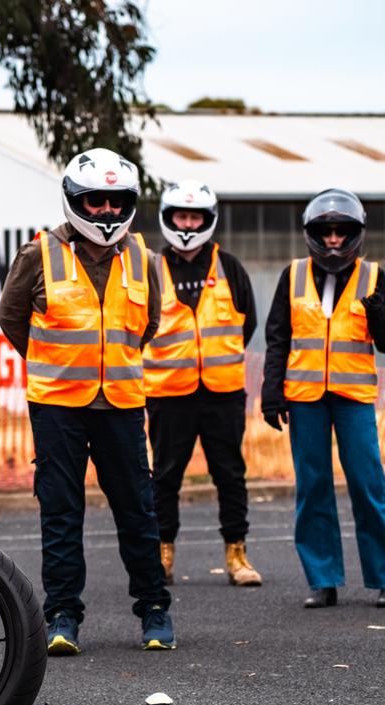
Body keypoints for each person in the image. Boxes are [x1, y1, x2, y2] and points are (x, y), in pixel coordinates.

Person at [0, 148, 174, 655]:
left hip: (120, 403)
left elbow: (150, 323)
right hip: (57, 406)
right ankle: (62, 617)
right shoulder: (38, 254)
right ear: (76, 201)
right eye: (95, 202)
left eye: (117, 202)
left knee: (138, 511)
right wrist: (60, 360)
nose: (106, 212)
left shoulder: (144, 257)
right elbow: (12, 319)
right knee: (61, 513)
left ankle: (154, 612)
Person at [261, 188, 385, 610]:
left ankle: (383, 577)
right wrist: (271, 391)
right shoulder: (292, 275)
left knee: (369, 485)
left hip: (354, 397)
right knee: (313, 488)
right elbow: (277, 337)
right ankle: (323, 579)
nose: (333, 240)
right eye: (325, 232)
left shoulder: (375, 276)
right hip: (305, 398)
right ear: (312, 234)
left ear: (355, 234)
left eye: (341, 232)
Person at [142, 179, 262, 587]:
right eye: (181, 216)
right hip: (168, 393)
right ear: (168, 218)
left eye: (195, 216)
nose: (188, 224)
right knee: (165, 478)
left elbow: (248, 322)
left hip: (222, 392)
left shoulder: (230, 266)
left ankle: (237, 555)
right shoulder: (150, 270)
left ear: (208, 220)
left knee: (230, 474)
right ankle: (163, 555)